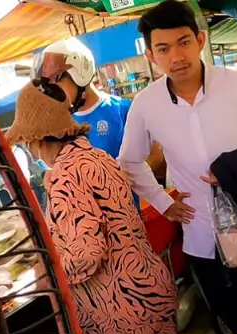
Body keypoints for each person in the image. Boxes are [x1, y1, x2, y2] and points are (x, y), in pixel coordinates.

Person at [6, 81, 183, 334]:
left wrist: (50, 273)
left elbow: (87, 253)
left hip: (125, 311)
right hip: (150, 292)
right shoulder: (95, 157)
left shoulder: (65, 177)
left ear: (37, 139)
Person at [118, 0, 237, 334]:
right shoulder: (146, 105)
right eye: (163, 48)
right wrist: (162, 201)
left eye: (183, 42)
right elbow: (128, 161)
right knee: (236, 326)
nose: (176, 56)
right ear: (151, 56)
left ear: (200, 40)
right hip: (201, 232)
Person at [34, 38, 164, 212]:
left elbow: (156, 157)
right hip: (86, 229)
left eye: (56, 81)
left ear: (79, 73)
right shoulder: (56, 125)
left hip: (127, 222)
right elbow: (57, 168)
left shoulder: (123, 110)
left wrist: (120, 179)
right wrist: (51, 178)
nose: (52, 91)